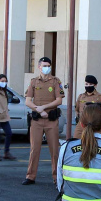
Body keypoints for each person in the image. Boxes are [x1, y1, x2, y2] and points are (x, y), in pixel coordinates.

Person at [23, 57, 64, 185]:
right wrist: (39, 110)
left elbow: (59, 100)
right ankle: (30, 176)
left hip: (51, 119)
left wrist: (44, 108)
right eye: (44, 65)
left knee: (54, 150)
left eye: (48, 65)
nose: (47, 67)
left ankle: (57, 177)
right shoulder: (34, 82)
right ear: (39, 67)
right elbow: (28, 101)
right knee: (35, 149)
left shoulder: (55, 81)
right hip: (37, 120)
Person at [73, 75, 101, 139]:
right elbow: (77, 109)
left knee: (93, 144)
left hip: (94, 125)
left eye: (90, 84)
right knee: (76, 142)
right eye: (86, 84)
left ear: (95, 85)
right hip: (81, 124)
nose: (88, 86)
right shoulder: (81, 96)